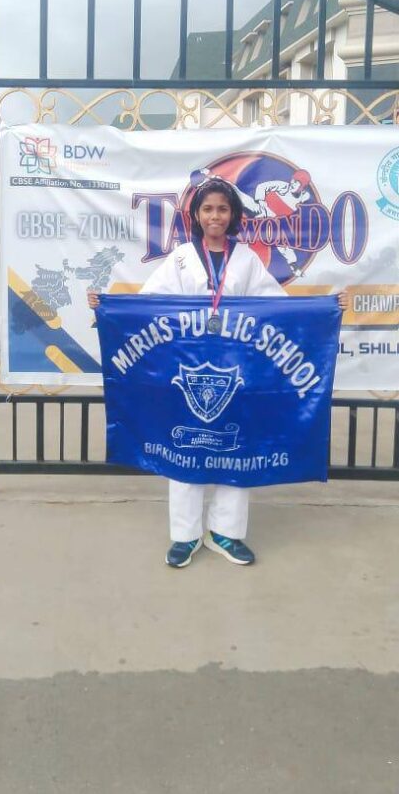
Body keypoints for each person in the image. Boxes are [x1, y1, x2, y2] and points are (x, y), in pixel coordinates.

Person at [88, 175, 348, 570]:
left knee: (237, 448)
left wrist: (326, 308)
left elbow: (276, 308)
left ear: (234, 214)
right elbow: (149, 305)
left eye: (223, 209)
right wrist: (106, 306)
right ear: (196, 214)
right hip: (184, 370)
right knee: (183, 449)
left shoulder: (246, 259)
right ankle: (185, 535)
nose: (215, 216)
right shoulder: (179, 259)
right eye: (208, 209)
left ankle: (225, 532)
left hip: (238, 371)